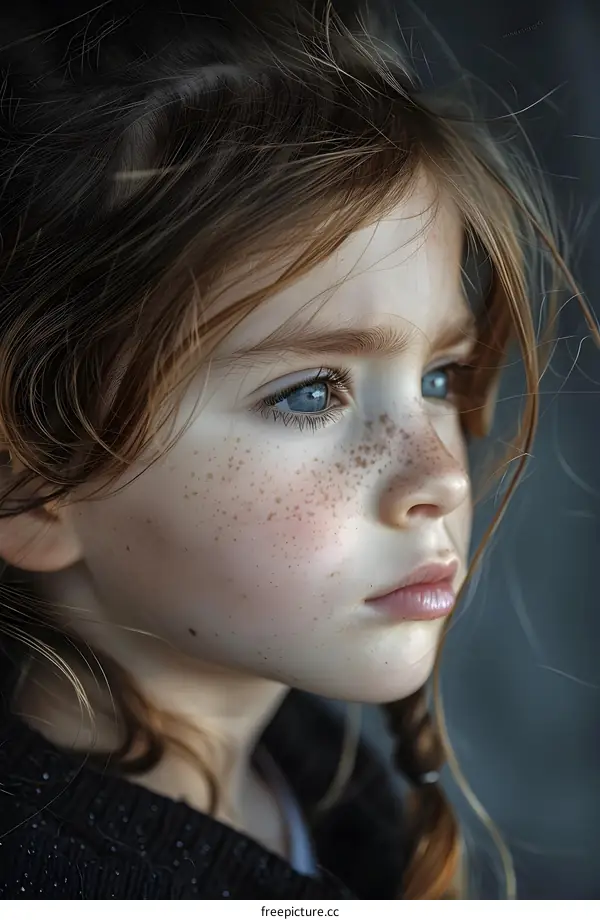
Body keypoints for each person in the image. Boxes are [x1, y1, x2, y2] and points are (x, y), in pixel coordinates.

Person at [0, 0, 590, 901]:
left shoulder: (310, 772)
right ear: (35, 487)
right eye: (311, 394)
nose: (437, 476)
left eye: (439, 378)